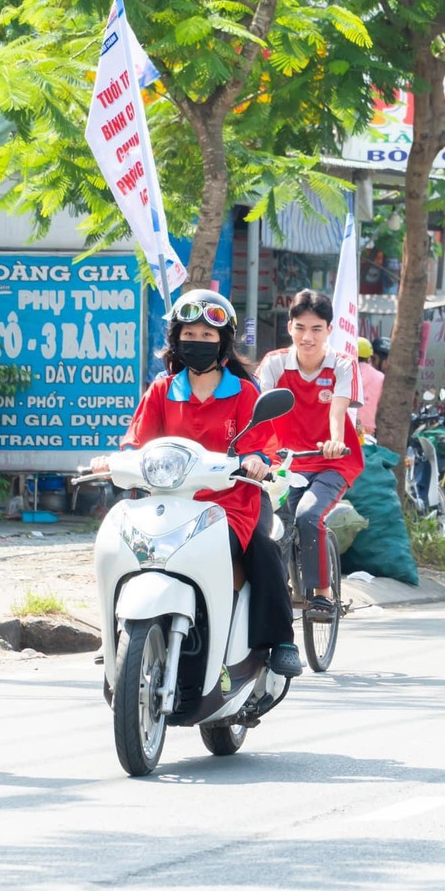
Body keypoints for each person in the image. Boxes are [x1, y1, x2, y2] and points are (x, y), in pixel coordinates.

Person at [91, 290, 302, 677]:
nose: (199, 342)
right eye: (191, 334)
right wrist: (114, 460)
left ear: (223, 342)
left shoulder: (244, 392)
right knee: (127, 550)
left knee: (264, 547)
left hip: (233, 505)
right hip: (171, 506)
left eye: (208, 336)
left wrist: (255, 460)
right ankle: (122, 634)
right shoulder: (162, 391)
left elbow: (261, 447)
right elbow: (136, 443)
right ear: (176, 339)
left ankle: (281, 639)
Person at [256, 289, 365, 618]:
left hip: (332, 461)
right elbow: (261, 412)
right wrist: (258, 452)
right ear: (289, 327)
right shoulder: (274, 363)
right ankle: (274, 590)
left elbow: (337, 411)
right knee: (272, 526)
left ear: (329, 331)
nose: (308, 337)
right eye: (301, 327)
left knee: (308, 515)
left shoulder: (342, 366)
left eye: (316, 329)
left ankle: (322, 595)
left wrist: (334, 441)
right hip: (286, 461)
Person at [355, 336, 385, 439]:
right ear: (369, 358)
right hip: (366, 431)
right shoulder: (380, 377)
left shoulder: (343, 372)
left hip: (346, 427)